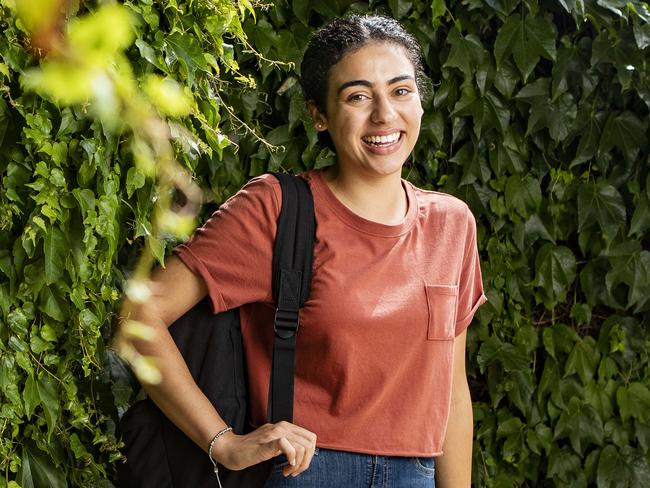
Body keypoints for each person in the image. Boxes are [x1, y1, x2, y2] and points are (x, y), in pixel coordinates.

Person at [118, 14, 486, 488]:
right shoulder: (278, 209)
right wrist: (225, 443)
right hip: (304, 473)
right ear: (318, 114)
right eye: (358, 96)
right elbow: (138, 316)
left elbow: (451, 393)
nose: (384, 115)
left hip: (417, 472)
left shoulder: (451, 225)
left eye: (401, 91)